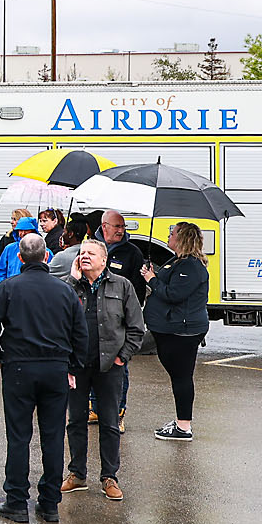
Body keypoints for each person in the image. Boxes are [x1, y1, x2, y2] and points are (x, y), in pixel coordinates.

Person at [0, 234, 88, 524]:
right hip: (55, 369)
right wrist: (72, 366)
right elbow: (81, 334)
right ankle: (50, 502)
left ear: (21, 258)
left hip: (18, 369)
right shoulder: (65, 292)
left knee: (19, 436)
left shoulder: (8, 288)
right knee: (52, 437)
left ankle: (16, 500)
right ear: (47, 257)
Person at [60, 240, 144, 501]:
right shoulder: (68, 286)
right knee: (75, 421)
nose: (84, 257)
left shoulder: (122, 285)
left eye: (90, 253)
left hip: (109, 366)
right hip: (77, 366)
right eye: (81, 253)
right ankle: (77, 474)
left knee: (109, 423)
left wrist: (122, 357)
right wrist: (72, 281)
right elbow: (56, 315)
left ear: (104, 260)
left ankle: (110, 477)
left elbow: (136, 328)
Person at [143, 222, 210, 442]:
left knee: (182, 377)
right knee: (178, 376)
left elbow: (173, 294)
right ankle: (182, 422)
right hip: (172, 329)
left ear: (181, 238)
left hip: (183, 331)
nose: (168, 236)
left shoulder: (190, 266)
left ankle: (183, 427)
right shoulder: (179, 261)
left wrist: (151, 280)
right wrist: (153, 273)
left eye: (171, 233)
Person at [99, 210, 148, 426]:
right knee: (94, 364)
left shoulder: (132, 253)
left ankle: (118, 412)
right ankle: (95, 408)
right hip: (95, 318)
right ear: (104, 226)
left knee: (119, 366)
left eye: (123, 227)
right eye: (116, 226)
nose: (121, 230)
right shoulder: (92, 248)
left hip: (119, 321)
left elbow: (137, 291)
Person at [0, 216, 45, 282]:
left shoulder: (43, 249)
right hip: (12, 287)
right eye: (20, 230)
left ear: (33, 231)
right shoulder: (9, 249)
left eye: (26, 230)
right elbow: (1, 270)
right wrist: (3, 285)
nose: (23, 233)